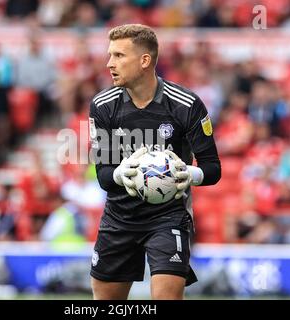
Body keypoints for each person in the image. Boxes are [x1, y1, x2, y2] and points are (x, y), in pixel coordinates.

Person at [89, 24, 221, 300]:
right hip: (119, 218)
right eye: (110, 55)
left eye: (118, 56)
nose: (109, 63)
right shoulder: (103, 106)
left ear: (144, 60)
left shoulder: (186, 105)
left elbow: (212, 168)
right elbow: (103, 175)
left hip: (168, 217)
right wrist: (121, 173)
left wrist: (188, 174)